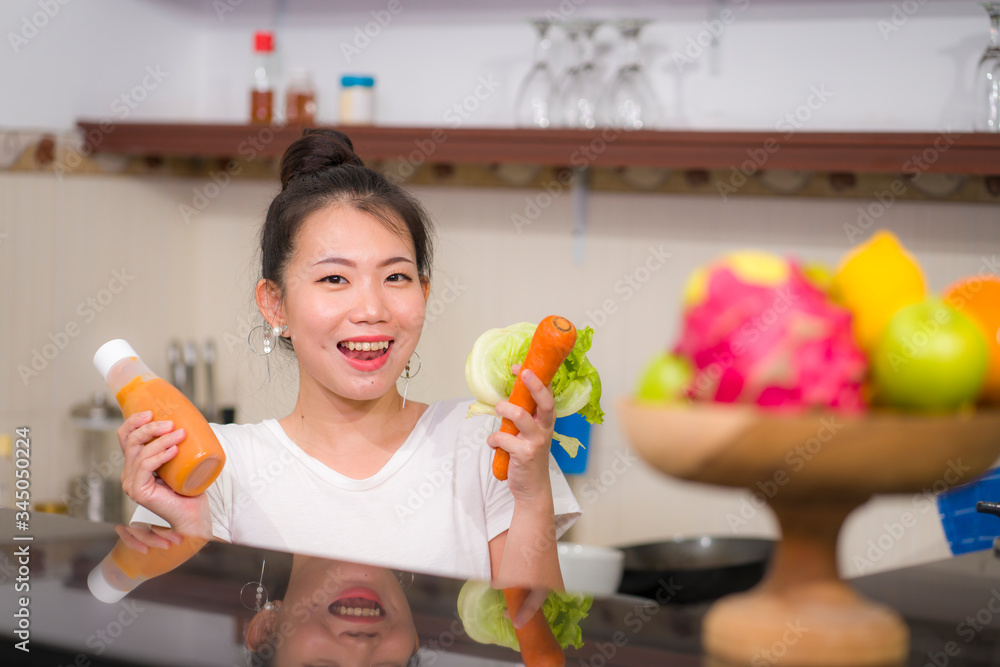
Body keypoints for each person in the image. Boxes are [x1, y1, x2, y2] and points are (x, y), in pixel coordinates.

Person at [116, 128, 580, 590]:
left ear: (424, 293)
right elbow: (197, 631)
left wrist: (533, 495)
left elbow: (533, 633)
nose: (372, 310)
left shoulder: (488, 443)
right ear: (275, 304)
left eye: (395, 277)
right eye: (335, 279)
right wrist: (191, 530)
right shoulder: (215, 465)